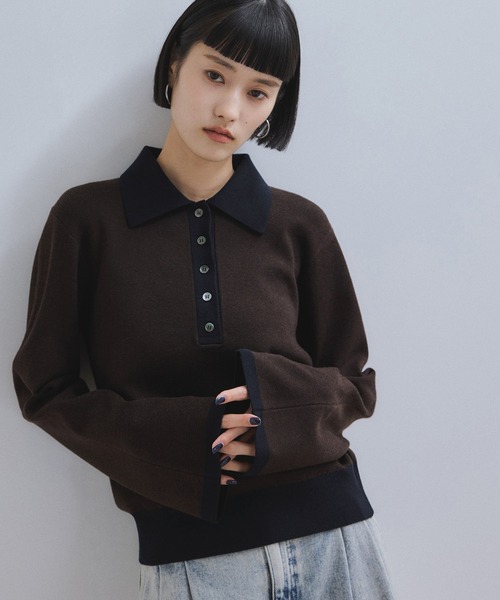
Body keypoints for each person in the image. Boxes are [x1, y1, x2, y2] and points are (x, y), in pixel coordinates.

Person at [13, 0, 395, 598]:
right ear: (174, 65)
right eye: (215, 74)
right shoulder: (86, 220)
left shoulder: (299, 225)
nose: (230, 110)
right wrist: (192, 435)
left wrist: (271, 416)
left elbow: (355, 384)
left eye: (258, 92)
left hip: (334, 540)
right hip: (192, 558)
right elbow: (44, 390)